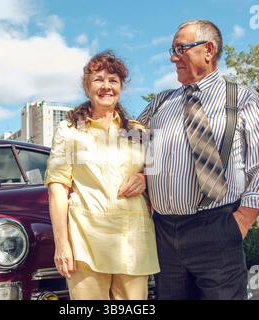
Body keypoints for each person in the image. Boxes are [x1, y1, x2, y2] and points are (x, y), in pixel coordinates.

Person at [137, 19, 259, 300]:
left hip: (218, 227)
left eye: (180, 48)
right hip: (164, 232)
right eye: (172, 49)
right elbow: (126, 143)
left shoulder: (241, 99)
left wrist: (241, 221)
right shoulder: (159, 103)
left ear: (208, 50)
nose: (172, 56)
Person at [44, 50, 160, 300]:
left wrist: (145, 178)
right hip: (86, 242)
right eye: (98, 79)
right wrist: (62, 244)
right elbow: (57, 189)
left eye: (113, 80)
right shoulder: (68, 131)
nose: (106, 86)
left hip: (133, 244)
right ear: (86, 87)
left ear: (120, 87)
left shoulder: (138, 131)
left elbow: (158, 177)